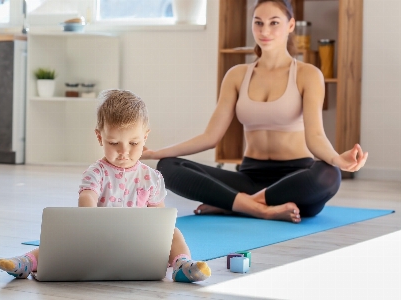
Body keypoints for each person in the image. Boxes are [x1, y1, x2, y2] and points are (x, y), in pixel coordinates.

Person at [141, 0, 368, 223]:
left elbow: (316, 136)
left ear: (290, 25)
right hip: (249, 177)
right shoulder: (237, 75)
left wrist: (337, 159)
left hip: (296, 179)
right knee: (168, 167)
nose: (264, 30)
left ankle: (239, 205)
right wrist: (156, 153)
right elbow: (210, 138)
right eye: (258, 22)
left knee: (329, 175)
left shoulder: (308, 74)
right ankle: (258, 208)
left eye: (274, 22)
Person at [0, 89, 211, 283]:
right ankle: (26, 262)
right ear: (100, 137)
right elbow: (87, 199)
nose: (124, 151)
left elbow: (160, 220)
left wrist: (158, 239)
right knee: (63, 239)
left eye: (134, 143)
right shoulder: (96, 172)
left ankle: (181, 264)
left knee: (173, 232)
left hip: (138, 245)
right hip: (98, 242)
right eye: (114, 143)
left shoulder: (152, 177)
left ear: (145, 137)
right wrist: (89, 226)